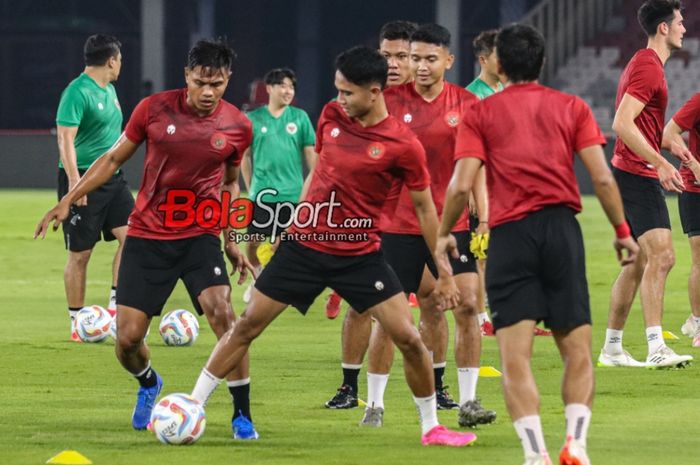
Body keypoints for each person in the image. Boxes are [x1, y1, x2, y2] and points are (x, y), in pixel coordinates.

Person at [189, 45, 476, 447]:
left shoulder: (402, 145)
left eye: (348, 93)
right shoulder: (329, 117)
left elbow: (427, 211)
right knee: (247, 325)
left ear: (375, 92)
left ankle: (432, 428)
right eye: (337, 90)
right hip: (304, 247)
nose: (339, 100)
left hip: (359, 255)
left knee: (409, 338)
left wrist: (445, 274)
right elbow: (321, 172)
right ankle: (192, 404)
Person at [36, 39, 259, 439]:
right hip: (149, 234)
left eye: (219, 84)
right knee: (127, 339)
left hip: (199, 234)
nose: (209, 92)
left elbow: (229, 185)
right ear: (186, 76)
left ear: (229, 81)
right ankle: (148, 382)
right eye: (201, 82)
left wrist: (229, 237)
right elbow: (112, 159)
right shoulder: (153, 109)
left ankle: (242, 414)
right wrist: (68, 198)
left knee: (224, 314)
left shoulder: (239, 127)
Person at [436, 23, 638, 465]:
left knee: (516, 358)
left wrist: (443, 233)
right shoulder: (571, 106)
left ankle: (535, 454)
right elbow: (602, 177)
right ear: (542, 62)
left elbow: (459, 185)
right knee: (577, 351)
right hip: (561, 229)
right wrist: (623, 232)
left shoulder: (479, 113)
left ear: (500, 64)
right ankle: (576, 444)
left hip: (510, 236)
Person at [354, 23, 496, 429]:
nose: (419, 66)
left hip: (452, 225)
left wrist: (483, 216)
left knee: (468, 305)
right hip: (397, 223)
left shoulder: (468, 104)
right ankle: (375, 405)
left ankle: (468, 404)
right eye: (413, 58)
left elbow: (478, 167)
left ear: (448, 61)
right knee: (389, 316)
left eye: (429, 59)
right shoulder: (388, 102)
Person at [324, 20, 418, 410]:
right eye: (386, 55)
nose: (393, 63)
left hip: (419, 224)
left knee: (440, 302)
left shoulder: (430, 101)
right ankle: (349, 387)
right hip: (371, 221)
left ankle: (441, 390)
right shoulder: (358, 102)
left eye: (402, 55)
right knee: (361, 305)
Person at [598, 0, 693, 368]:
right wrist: (659, 164)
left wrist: (675, 149)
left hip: (630, 169)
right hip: (637, 172)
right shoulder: (648, 68)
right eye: (681, 22)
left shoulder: (647, 64)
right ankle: (656, 345)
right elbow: (622, 123)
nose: (686, 28)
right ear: (664, 28)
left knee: (637, 261)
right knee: (663, 256)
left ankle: (612, 348)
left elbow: (644, 124)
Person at [55, 34, 133, 340]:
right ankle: (78, 323)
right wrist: (76, 184)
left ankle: (114, 311)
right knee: (80, 254)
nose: (120, 65)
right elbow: (65, 139)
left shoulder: (110, 89)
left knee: (134, 238)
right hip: (83, 177)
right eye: (120, 60)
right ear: (112, 60)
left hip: (112, 178)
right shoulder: (76, 92)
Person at [240, 68, 317, 303]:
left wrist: (315, 181)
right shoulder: (253, 119)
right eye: (283, 85)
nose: (288, 91)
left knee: (287, 244)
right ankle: (257, 276)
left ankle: (286, 284)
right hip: (261, 194)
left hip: (292, 194)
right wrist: (251, 186)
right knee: (252, 242)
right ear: (269, 88)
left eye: (291, 87)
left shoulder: (300, 118)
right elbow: (245, 156)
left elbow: (311, 155)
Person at [465, 29, 501, 336]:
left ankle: (497, 313)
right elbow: (470, 149)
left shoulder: (504, 90)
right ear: (483, 59)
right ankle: (479, 319)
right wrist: (474, 194)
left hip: (506, 186)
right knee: (482, 253)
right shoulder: (472, 96)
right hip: (484, 188)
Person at [662, 93, 700, 347]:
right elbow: (668, 134)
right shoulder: (698, 101)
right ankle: (698, 321)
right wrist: (694, 164)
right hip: (696, 189)